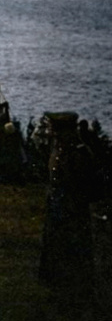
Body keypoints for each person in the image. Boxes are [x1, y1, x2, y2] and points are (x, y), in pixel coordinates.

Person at [39, 112, 102, 307]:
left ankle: (76, 292)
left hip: (72, 208)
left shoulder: (78, 152)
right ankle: (60, 287)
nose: (50, 131)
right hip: (59, 206)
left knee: (73, 249)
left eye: (53, 127)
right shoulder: (60, 148)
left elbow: (89, 187)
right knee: (56, 247)